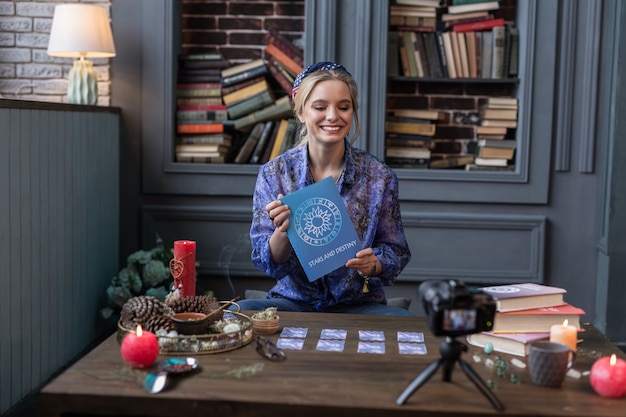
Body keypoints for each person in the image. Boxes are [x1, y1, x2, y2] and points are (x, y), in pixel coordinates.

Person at [237, 62, 413, 316]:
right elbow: (269, 263)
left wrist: (374, 263)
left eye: (343, 107)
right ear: (301, 113)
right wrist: (283, 232)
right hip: (293, 302)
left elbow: (397, 251)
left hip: (359, 305)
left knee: (403, 320)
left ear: (352, 112)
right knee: (240, 311)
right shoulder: (275, 174)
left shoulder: (379, 176)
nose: (333, 116)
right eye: (320, 107)